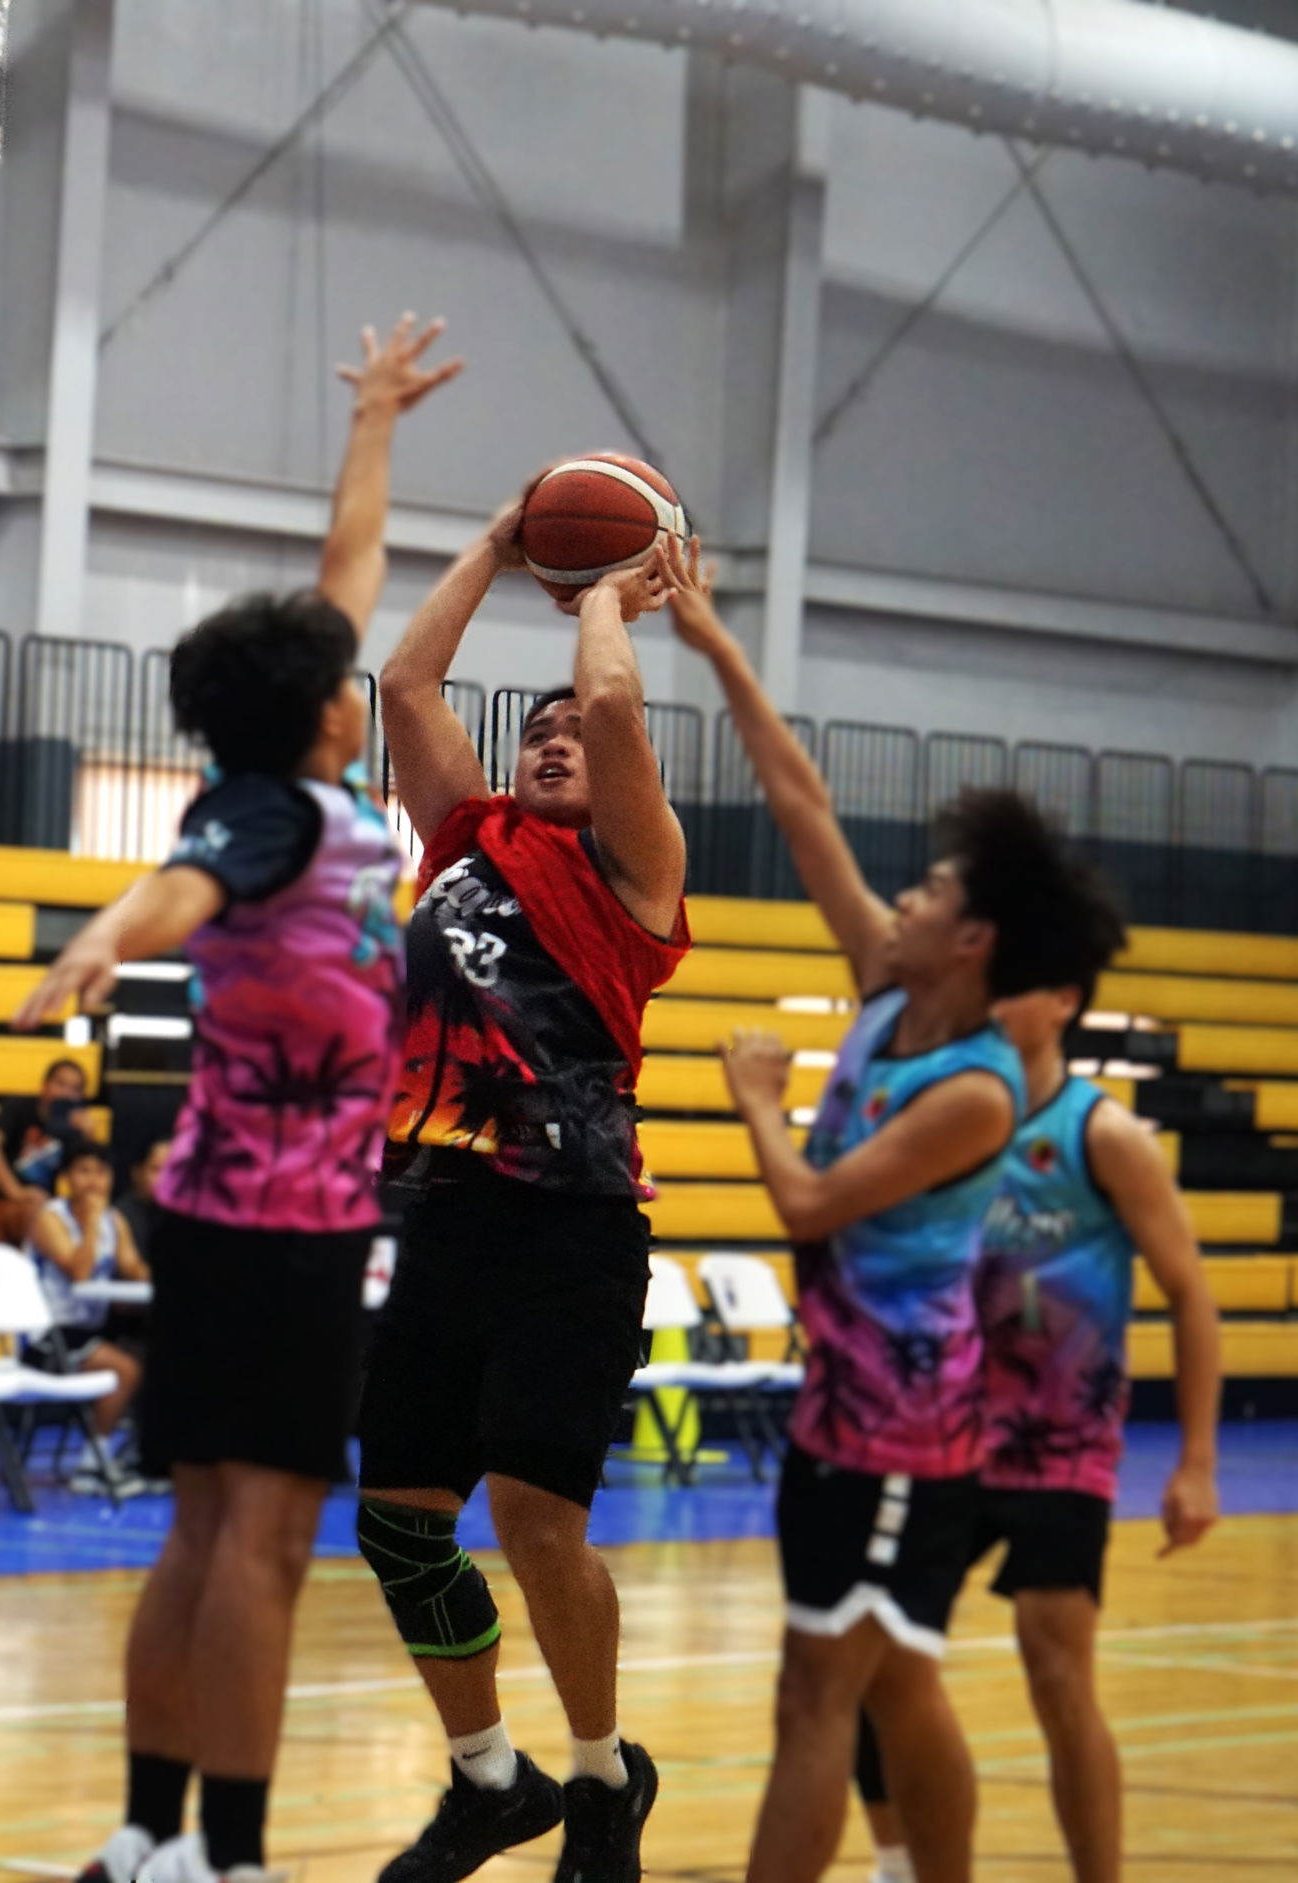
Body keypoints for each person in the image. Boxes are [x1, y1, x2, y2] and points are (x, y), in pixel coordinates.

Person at [12, 314, 461, 1883]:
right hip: (282, 1232)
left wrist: (376, 423)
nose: (357, 666)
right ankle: (238, 1857)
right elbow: (181, 890)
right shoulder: (270, 820)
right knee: (262, 1541)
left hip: (216, 1215)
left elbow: (340, 575)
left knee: (202, 1529)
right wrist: (98, 943)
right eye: (345, 674)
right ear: (328, 711)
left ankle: (146, 1836)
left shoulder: (286, 774)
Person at [656, 534, 1126, 1883]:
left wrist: (754, 1093)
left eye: (929, 888)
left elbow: (807, 1199)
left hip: (901, 1432)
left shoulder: (977, 1091)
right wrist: (720, 648)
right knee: (902, 1684)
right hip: (845, 1410)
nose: (903, 894)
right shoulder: (885, 983)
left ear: (972, 938)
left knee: (818, 1697)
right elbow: (801, 801)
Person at [352, 490, 690, 1883]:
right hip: (439, 1214)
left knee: (537, 1518)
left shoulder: (638, 876)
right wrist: (500, 542)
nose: (556, 736)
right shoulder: (465, 841)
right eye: (534, 730)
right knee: (399, 1525)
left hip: (575, 1225)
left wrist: (605, 584)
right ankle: (493, 1777)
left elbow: (614, 713)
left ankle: (607, 1772)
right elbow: (409, 680)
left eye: (570, 733)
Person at [854, 978, 1221, 1883]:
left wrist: (1199, 1463)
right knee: (875, 1662)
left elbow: (1191, 1292)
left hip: (1061, 1447)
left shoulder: (1102, 1134)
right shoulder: (945, 1115)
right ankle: (903, 1867)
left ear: (1062, 999)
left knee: (1059, 1675)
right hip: (941, 1437)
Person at [26, 1139, 151, 1496]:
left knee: (154, 1358)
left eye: (101, 1171)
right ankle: (91, 1465)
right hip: (46, 1334)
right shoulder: (50, 1218)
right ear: (65, 1178)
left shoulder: (116, 1219)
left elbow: (132, 1267)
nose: (94, 1181)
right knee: (125, 1370)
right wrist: (92, 1222)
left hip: (87, 1331)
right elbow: (79, 1272)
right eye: (83, 1171)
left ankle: (138, 1457)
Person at [0, 1057, 92, 1244]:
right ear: (45, 1085)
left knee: (90, 1214)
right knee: (40, 1212)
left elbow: (84, 1177)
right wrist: (16, 1192)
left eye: (75, 1089)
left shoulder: (72, 1129)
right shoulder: (18, 1108)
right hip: (0, 1203)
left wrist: (87, 1138)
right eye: (61, 1084)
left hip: (44, 1208)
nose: (66, 1093)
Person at [116, 1139, 172, 1266]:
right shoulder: (119, 1214)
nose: (165, 1178)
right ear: (136, 1172)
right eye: (156, 1169)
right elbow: (131, 1269)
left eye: (171, 1170)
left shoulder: (179, 1215)